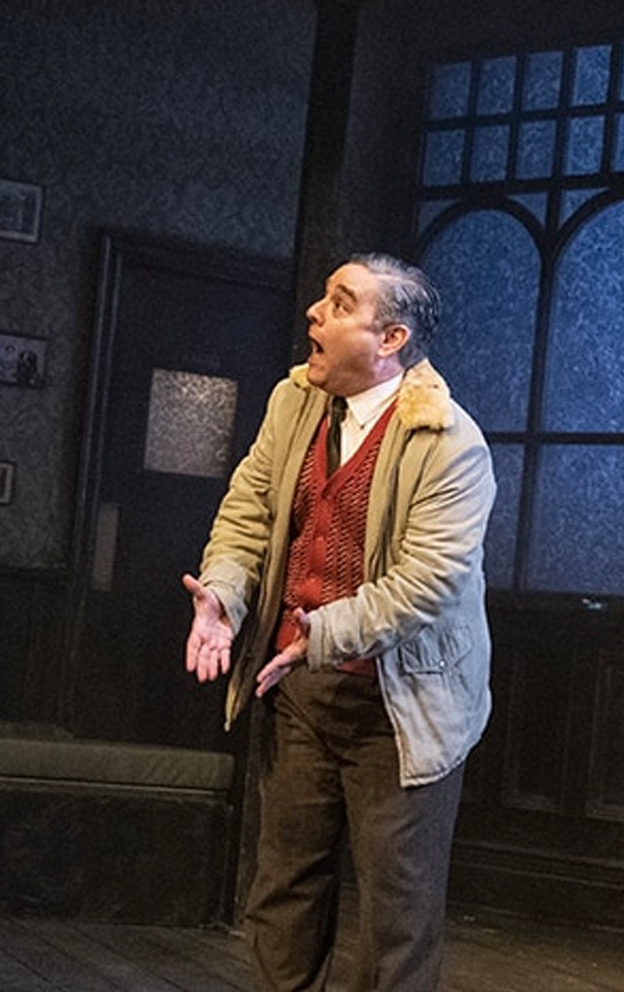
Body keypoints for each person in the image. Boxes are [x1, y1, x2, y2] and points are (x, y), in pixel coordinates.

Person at [182, 253, 494, 991]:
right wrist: (223, 594)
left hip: (401, 709)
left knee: (396, 919)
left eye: (339, 303)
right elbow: (251, 509)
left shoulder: (449, 441)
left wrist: (316, 634)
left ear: (390, 338)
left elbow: (428, 584)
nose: (314, 315)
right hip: (299, 697)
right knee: (283, 896)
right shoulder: (294, 401)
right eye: (322, 298)